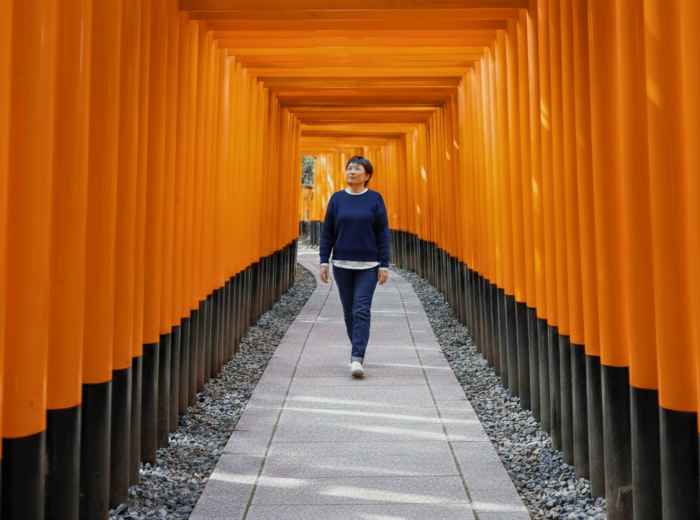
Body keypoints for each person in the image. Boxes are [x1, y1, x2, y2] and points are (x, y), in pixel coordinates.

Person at [319, 155, 391, 378]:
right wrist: (323, 261)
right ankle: (357, 348)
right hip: (342, 264)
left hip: (369, 265)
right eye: (349, 168)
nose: (352, 172)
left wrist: (384, 265)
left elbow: (382, 233)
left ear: (367, 175)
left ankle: (356, 357)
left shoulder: (375, 199)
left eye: (357, 169)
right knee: (349, 312)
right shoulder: (337, 199)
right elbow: (327, 232)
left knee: (361, 309)